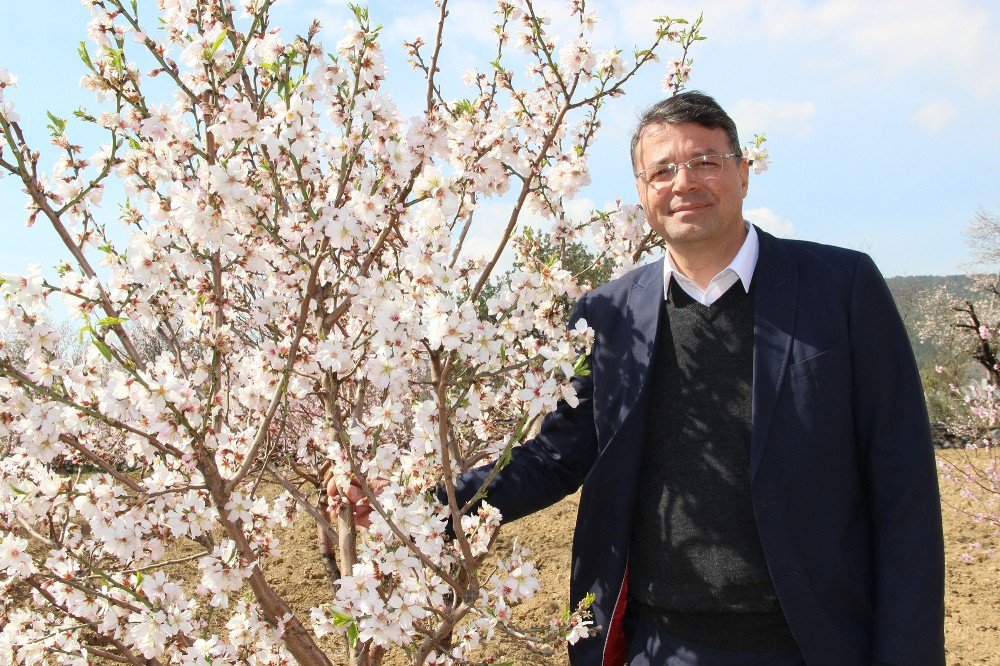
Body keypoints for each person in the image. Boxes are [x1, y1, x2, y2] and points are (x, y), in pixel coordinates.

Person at [335, 91, 946, 665]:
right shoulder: (608, 315)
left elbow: (902, 483)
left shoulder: (839, 288)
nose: (684, 183)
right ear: (641, 191)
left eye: (705, 161)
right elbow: (556, 456)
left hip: (812, 638)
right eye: (662, 172)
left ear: (743, 171)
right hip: (660, 643)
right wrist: (417, 505)